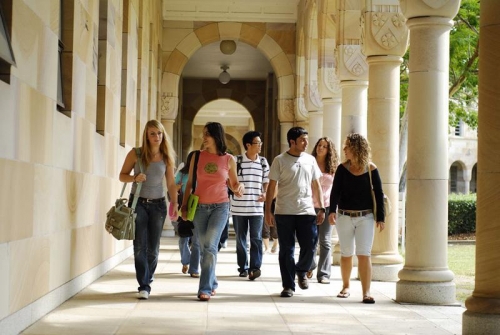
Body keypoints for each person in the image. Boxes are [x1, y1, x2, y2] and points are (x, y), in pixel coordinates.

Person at [180, 122, 244, 301]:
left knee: (209, 245)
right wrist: (184, 206)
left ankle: (205, 289)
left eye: (207, 134)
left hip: (220, 207)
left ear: (216, 136)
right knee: (203, 247)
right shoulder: (197, 157)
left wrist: (240, 187)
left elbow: (234, 184)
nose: (203, 137)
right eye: (203, 134)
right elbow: (190, 183)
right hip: (199, 207)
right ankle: (212, 280)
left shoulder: (229, 159)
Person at [119, 120, 178, 300]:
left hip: (158, 205)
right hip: (138, 204)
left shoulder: (166, 156)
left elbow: (170, 183)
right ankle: (143, 285)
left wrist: (175, 202)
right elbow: (122, 176)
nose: (156, 137)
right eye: (152, 133)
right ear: (146, 135)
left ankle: (148, 278)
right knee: (139, 246)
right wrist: (135, 178)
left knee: (153, 248)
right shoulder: (135, 154)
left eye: (159, 133)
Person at [264, 127, 325, 298]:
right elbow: (272, 186)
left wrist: (321, 208)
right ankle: (288, 286)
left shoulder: (310, 160)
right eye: (302, 140)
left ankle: (301, 269)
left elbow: (316, 185)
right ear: (292, 142)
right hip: (284, 211)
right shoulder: (280, 160)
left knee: (310, 245)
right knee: (286, 250)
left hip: (306, 210)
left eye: (306, 139)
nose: (306, 143)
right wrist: (268, 210)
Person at [328, 133, 386, 304]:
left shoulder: (371, 169)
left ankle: (366, 292)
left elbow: (379, 193)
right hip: (344, 216)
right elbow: (335, 192)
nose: (344, 149)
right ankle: (345, 287)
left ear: (356, 148)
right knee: (346, 253)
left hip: (365, 217)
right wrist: (332, 211)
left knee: (364, 254)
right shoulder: (341, 168)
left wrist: (380, 218)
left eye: (347, 147)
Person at [230, 131, 270, 280]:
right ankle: (243, 267)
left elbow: (267, 180)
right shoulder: (236, 160)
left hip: (256, 208)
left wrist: (265, 193)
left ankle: (255, 267)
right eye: (257, 143)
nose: (260, 146)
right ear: (248, 145)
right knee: (241, 240)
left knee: (256, 239)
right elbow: (229, 180)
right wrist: (235, 187)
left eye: (260, 143)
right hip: (238, 208)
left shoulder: (263, 162)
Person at [306, 137, 339, 284]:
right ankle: (309, 265)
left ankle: (324, 274)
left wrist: (335, 208)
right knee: (310, 239)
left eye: (324, 146)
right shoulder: (308, 163)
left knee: (325, 240)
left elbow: (338, 189)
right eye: (319, 145)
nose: (321, 148)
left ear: (329, 150)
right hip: (309, 205)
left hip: (327, 206)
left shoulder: (334, 167)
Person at [173, 152, 200, 278]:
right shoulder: (182, 173)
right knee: (183, 238)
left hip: (199, 208)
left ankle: (194, 268)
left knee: (196, 240)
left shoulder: (203, 173)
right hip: (184, 206)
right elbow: (172, 187)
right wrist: (177, 187)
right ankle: (185, 261)